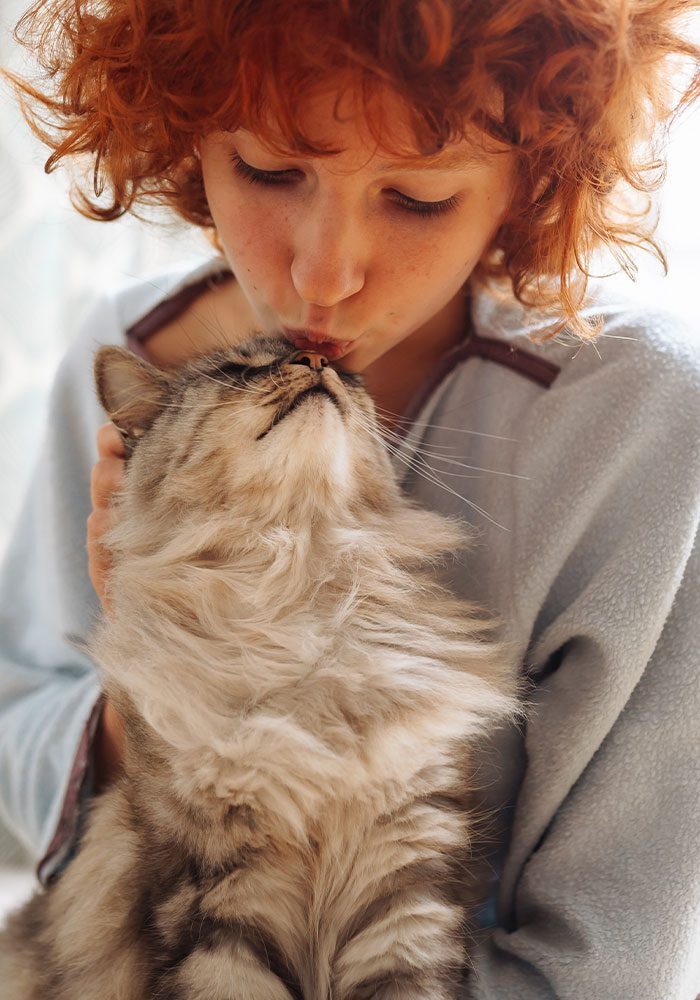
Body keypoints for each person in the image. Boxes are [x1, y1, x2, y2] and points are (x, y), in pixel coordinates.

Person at [1, 1, 699, 996]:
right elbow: (25, 731)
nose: (323, 273)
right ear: (184, 135)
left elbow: (610, 953)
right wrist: (161, 669)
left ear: (525, 186)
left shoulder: (636, 419)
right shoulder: (132, 356)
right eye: (270, 172)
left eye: (415, 197)